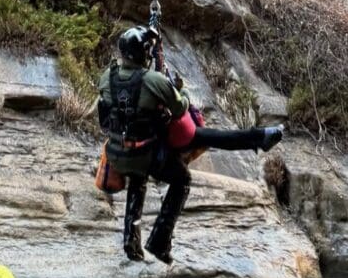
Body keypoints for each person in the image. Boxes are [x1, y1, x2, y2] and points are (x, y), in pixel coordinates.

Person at [98, 25, 284, 265]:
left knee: (138, 176)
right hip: (147, 152)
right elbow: (181, 108)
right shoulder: (153, 80)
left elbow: (107, 114)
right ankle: (159, 241)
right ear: (142, 53)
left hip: (117, 154)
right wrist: (179, 88)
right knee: (182, 178)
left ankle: (131, 245)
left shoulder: (107, 77)